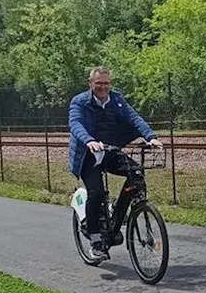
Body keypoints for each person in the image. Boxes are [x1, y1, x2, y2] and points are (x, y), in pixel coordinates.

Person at [68, 66, 164, 258]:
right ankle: (95, 240)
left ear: (110, 84)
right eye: (98, 83)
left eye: (106, 83)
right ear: (91, 84)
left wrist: (150, 136)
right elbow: (75, 124)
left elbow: (134, 118)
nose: (103, 87)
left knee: (136, 173)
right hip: (88, 156)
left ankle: (118, 209)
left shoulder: (117, 100)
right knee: (95, 193)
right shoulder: (79, 102)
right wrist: (90, 141)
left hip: (110, 151)